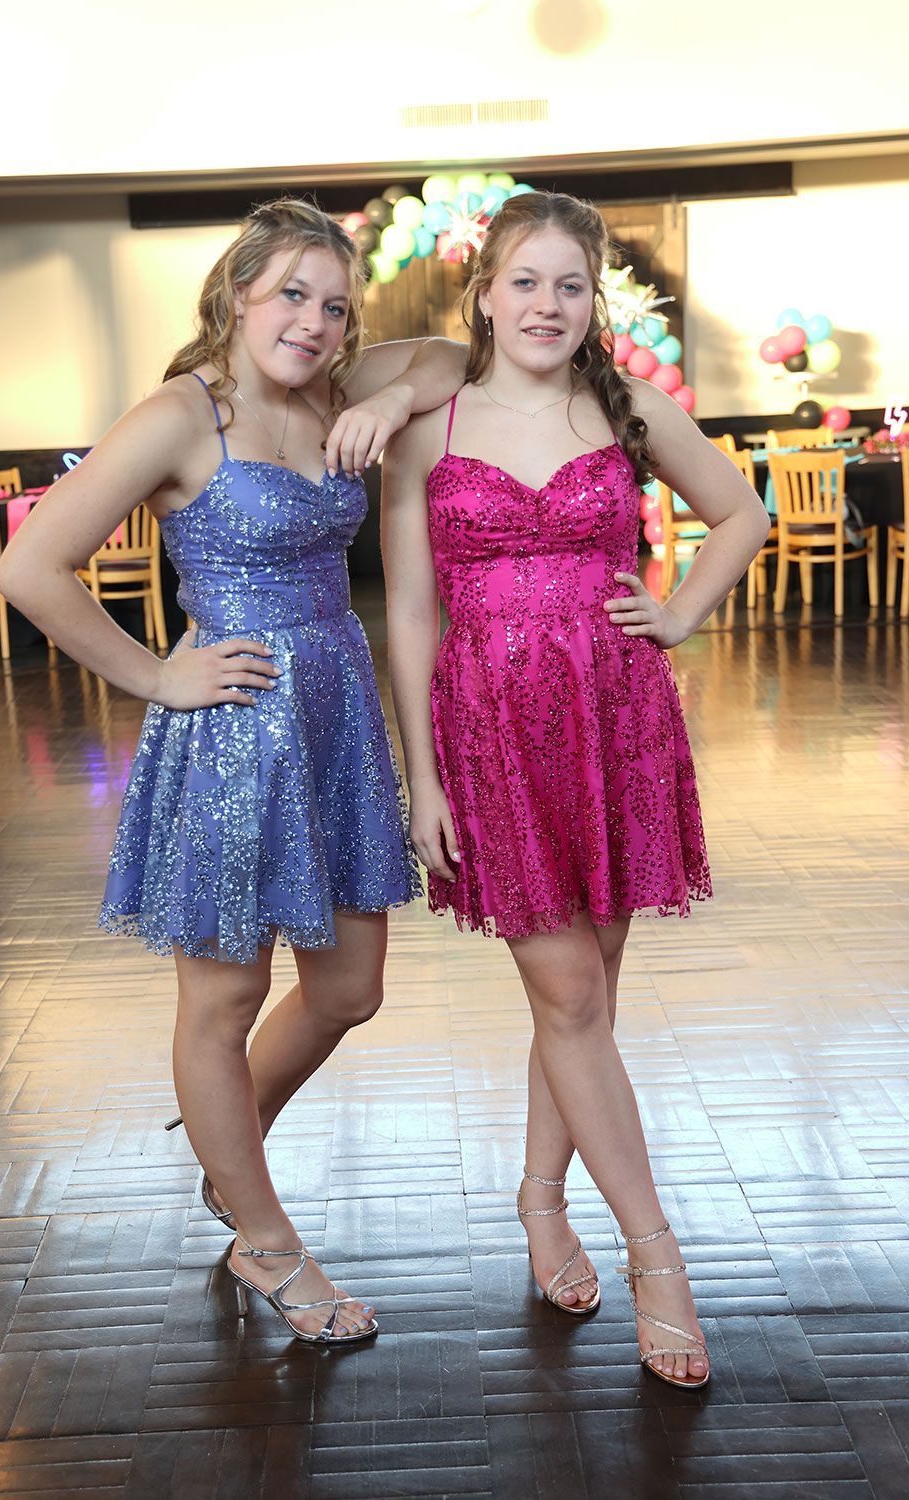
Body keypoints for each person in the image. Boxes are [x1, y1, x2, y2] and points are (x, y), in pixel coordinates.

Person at [0, 198, 466, 1345]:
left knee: (350, 987)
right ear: (237, 291)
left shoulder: (340, 391)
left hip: (337, 717)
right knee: (226, 996)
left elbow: (462, 351)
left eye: (335, 305)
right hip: (235, 725)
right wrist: (155, 677)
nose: (313, 321)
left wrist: (398, 392)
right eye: (292, 295)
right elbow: (30, 565)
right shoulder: (179, 415)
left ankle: (226, 1148)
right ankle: (266, 1241)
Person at [382, 190, 770, 1388]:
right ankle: (658, 1255)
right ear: (483, 294)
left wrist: (678, 614)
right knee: (570, 997)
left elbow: (741, 512)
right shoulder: (428, 427)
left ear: (590, 299)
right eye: (525, 282)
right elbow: (406, 611)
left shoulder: (625, 408)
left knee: (584, 993)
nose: (547, 304)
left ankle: (542, 1197)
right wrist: (422, 777)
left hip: (613, 718)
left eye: (569, 284)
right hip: (491, 729)